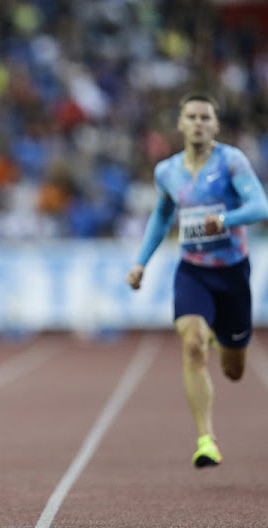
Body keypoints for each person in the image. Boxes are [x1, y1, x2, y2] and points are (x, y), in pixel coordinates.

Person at [127, 91, 268, 468]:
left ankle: (219, 335)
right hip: (193, 271)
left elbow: (260, 206)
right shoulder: (167, 171)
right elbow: (161, 216)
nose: (199, 123)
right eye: (192, 117)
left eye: (206, 117)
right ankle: (206, 439)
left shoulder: (232, 161)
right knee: (191, 345)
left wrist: (224, 220)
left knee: (234, 370)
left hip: (233, 272)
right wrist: (141, 262)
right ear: (180, 123)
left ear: (216, 125)